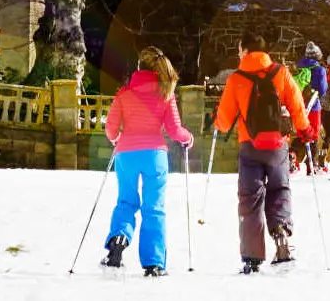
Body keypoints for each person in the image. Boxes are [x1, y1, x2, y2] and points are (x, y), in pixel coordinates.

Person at [213, 33, 314, 275]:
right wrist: (305, 129)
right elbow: (297, 105)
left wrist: (217, 124)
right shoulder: (281, 73)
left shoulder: (236, 78)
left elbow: (225, 121)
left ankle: (251, 257)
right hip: (277, 145)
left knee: (250, 199)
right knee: (279, 189)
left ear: (245, 51)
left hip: (250, 146)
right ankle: (281, 237)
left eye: (240, 49)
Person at [101, 47, 195, 277]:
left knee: (126, 201)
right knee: (154, 208)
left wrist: (116, 139)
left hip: (126, 155)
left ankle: (119, 239)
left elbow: (111, 126)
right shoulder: (165, 93)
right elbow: (174, 130)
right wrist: (188, 138)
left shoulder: (124, 93)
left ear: (138, 68)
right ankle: (154, 263)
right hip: (155, 156)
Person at [291, 44, 329, 175]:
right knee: (313, 134)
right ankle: (312, 166)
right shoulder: (320, 69)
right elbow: (323, 90)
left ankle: (291, 155)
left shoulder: (298, 67)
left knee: (301, 133)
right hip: (313, 106)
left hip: (298, 105)